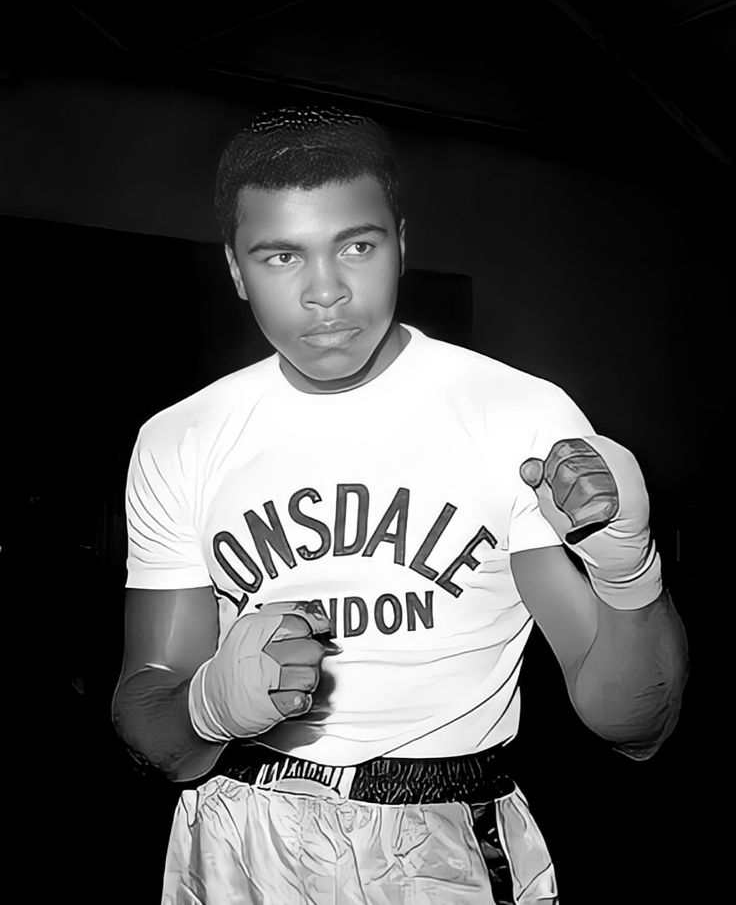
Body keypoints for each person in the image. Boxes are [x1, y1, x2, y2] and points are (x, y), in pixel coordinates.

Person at [112, 107, 689, 905]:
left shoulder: (517, 416)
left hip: (442, 845)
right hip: (235, 838)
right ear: (237, 270)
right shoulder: (181, 437)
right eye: (282, 256)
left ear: (401, 244)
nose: (326, 293)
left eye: (357, 245)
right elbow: (153, 727)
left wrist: (631, 573)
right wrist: (210, 705)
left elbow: (638, 730)